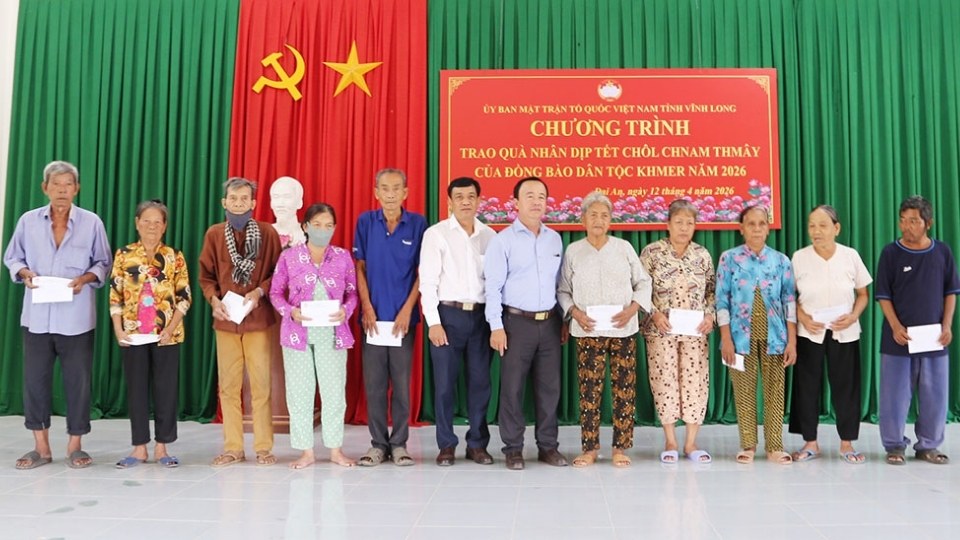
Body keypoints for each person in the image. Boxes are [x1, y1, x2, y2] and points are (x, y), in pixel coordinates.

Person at [3, 160, 112, 470]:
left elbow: (103, 262)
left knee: (78, 383)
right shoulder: (28, 221)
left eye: (68, 185)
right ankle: (41, 446)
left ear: (76, 189)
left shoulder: (92, 223)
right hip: (37, 317)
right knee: (34, 382)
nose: (62, 191)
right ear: (45, 188)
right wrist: (23, 272)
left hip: (76, 318)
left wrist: (86, 279)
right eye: (56, 185)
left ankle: (76, 445)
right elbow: (12, 257)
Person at [558, 192, 651, 468]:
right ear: (582, 219)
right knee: (589, 390)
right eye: (593, 214)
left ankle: (620, 447)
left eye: (604, 215)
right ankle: (589, 448)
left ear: (611, 220)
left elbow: (643, 283)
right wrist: (575, 313)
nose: (599, 220)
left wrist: (633, 309)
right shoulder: (574, 250)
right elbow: (563, 290)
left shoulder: (623, 248)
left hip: (623, 330)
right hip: (587, 331)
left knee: (624, 389)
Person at [485, 176, 568, 470]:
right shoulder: (502, 240)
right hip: (514, 324)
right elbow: (492, 287)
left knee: (549, 389)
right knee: (512, 388)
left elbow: (559, 284)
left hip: (549, 322)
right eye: (529, 196)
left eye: (542, 196)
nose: (536, 201)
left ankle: (548, 446)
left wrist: (563, 319)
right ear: (515, 203)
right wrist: (496, 326)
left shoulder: (554, 239)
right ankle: (513, 448)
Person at [199, 177, 282, 467]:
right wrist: (214, 301)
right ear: (224, 202)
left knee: (261, 385)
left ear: (254, 203)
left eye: (244, 199)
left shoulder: (268, 233)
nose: (238, 204)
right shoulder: (214, 234)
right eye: (233, 199)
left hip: (257, 319)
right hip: (226, 321)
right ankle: (233, 447)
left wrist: (260, 291)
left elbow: (278, 272)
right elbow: (206, 276)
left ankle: (263, 447)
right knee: (228, 386)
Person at [270, 203, 358, 469]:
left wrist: (346, 311)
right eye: (317, 224)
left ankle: (335, 450)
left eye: (328, 225)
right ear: (305, 226)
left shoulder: (342, 257)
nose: (323, 230)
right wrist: (290, 311)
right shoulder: (289, 257)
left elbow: (352, 293)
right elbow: (275, 293)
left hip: (333, 333)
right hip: (298, 335)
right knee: (300, 393)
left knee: (333, 393)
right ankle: (306, 451)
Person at [876, 195, 959, 465]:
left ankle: (929, 446)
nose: (907, 226)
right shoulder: (890, 253)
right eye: (903, 220)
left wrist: (947, 326)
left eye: (913, 221)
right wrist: (896, 326)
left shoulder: (942, 252)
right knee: (894, 395)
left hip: (934, 339)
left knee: (935, 394)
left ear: (928, 223)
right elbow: (883, 295)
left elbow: (951, 292)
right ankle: (894, 446)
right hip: (898, 339)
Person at [419, 177, 497, 466]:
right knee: (444, 386)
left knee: (480, 384)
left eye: (471, 196)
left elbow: (494, 283)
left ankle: (477, 444)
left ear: (479, 200)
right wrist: (433, 323)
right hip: (447, 317)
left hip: (481, 317)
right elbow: (427, 282)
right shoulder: (436, 234)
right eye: (459, 197)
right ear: (449, 202)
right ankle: (446, 445)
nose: (466, 201)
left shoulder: (491, 236)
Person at [109, 199, 192, 469]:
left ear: (165, 226)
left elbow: (184, 296)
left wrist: (170, 328)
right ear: (137, 223)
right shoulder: (123, 255)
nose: (152, 226)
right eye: (146, 221)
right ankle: (139, 448)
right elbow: (115, 296)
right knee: (136, 390)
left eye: (158, 222)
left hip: (167, 335)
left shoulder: (174, 256)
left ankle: (162, 448)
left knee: (165, 390)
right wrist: (118, 329)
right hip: (133, 335)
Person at [353, 168, 427, 467]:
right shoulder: (366, 222)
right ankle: (377, 445)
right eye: (385, 188)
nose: (391, 193)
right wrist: (367, 306)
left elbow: (424, 272)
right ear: (377, 192)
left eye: (397, 188)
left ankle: (399, 444)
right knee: (374, 385)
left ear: (406, 192)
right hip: (373, 320)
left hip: (402, 321)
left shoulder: (418, 224)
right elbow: (359, 266)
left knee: (401, 383)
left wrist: (408, 309)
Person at [789, 205, 871, 464]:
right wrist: (802, 317)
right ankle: (810, 443)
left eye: (823, 225)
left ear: (837, 228)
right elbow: (789, 297)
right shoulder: (799, 257)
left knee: (846, 387)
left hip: (843, 332)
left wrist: (854, 316)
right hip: (809, 333)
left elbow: (863, 295)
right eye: (812, 225)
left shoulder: (850, 256)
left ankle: (847, 444)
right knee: (807, 387)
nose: (816, 231)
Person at [716, 204, 797, 464]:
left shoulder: (781, 261)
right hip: (739, 338)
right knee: (744, 390)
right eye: (751, 224)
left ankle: (774, 445)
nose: (757, 229)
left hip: (776, 336)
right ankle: (748, 444)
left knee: (775, 390)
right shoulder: (729, 259)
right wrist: (726, 338)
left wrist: (792, 341)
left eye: (762, 224)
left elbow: (790, 302)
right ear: (742, 229)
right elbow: (721, 301)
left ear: (768, 228)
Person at [639, 199, 716, 464]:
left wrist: (710, 316)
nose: (684, 228)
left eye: (690, 223)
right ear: (668, 224)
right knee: (665, 381)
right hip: (662, 330)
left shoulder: (702, 255)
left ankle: (691, 443)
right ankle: (670, 440)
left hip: (695, 332)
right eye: (679, 222)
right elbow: (638, 289)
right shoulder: (652, 253)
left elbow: (712, 293)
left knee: (695, 382)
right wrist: (654, 312)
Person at [270, 176, 306, 248]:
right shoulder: (263, 234)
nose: (280, 203)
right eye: (276, 197)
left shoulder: (309, 235)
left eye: (287, 197)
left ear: (299, 203)